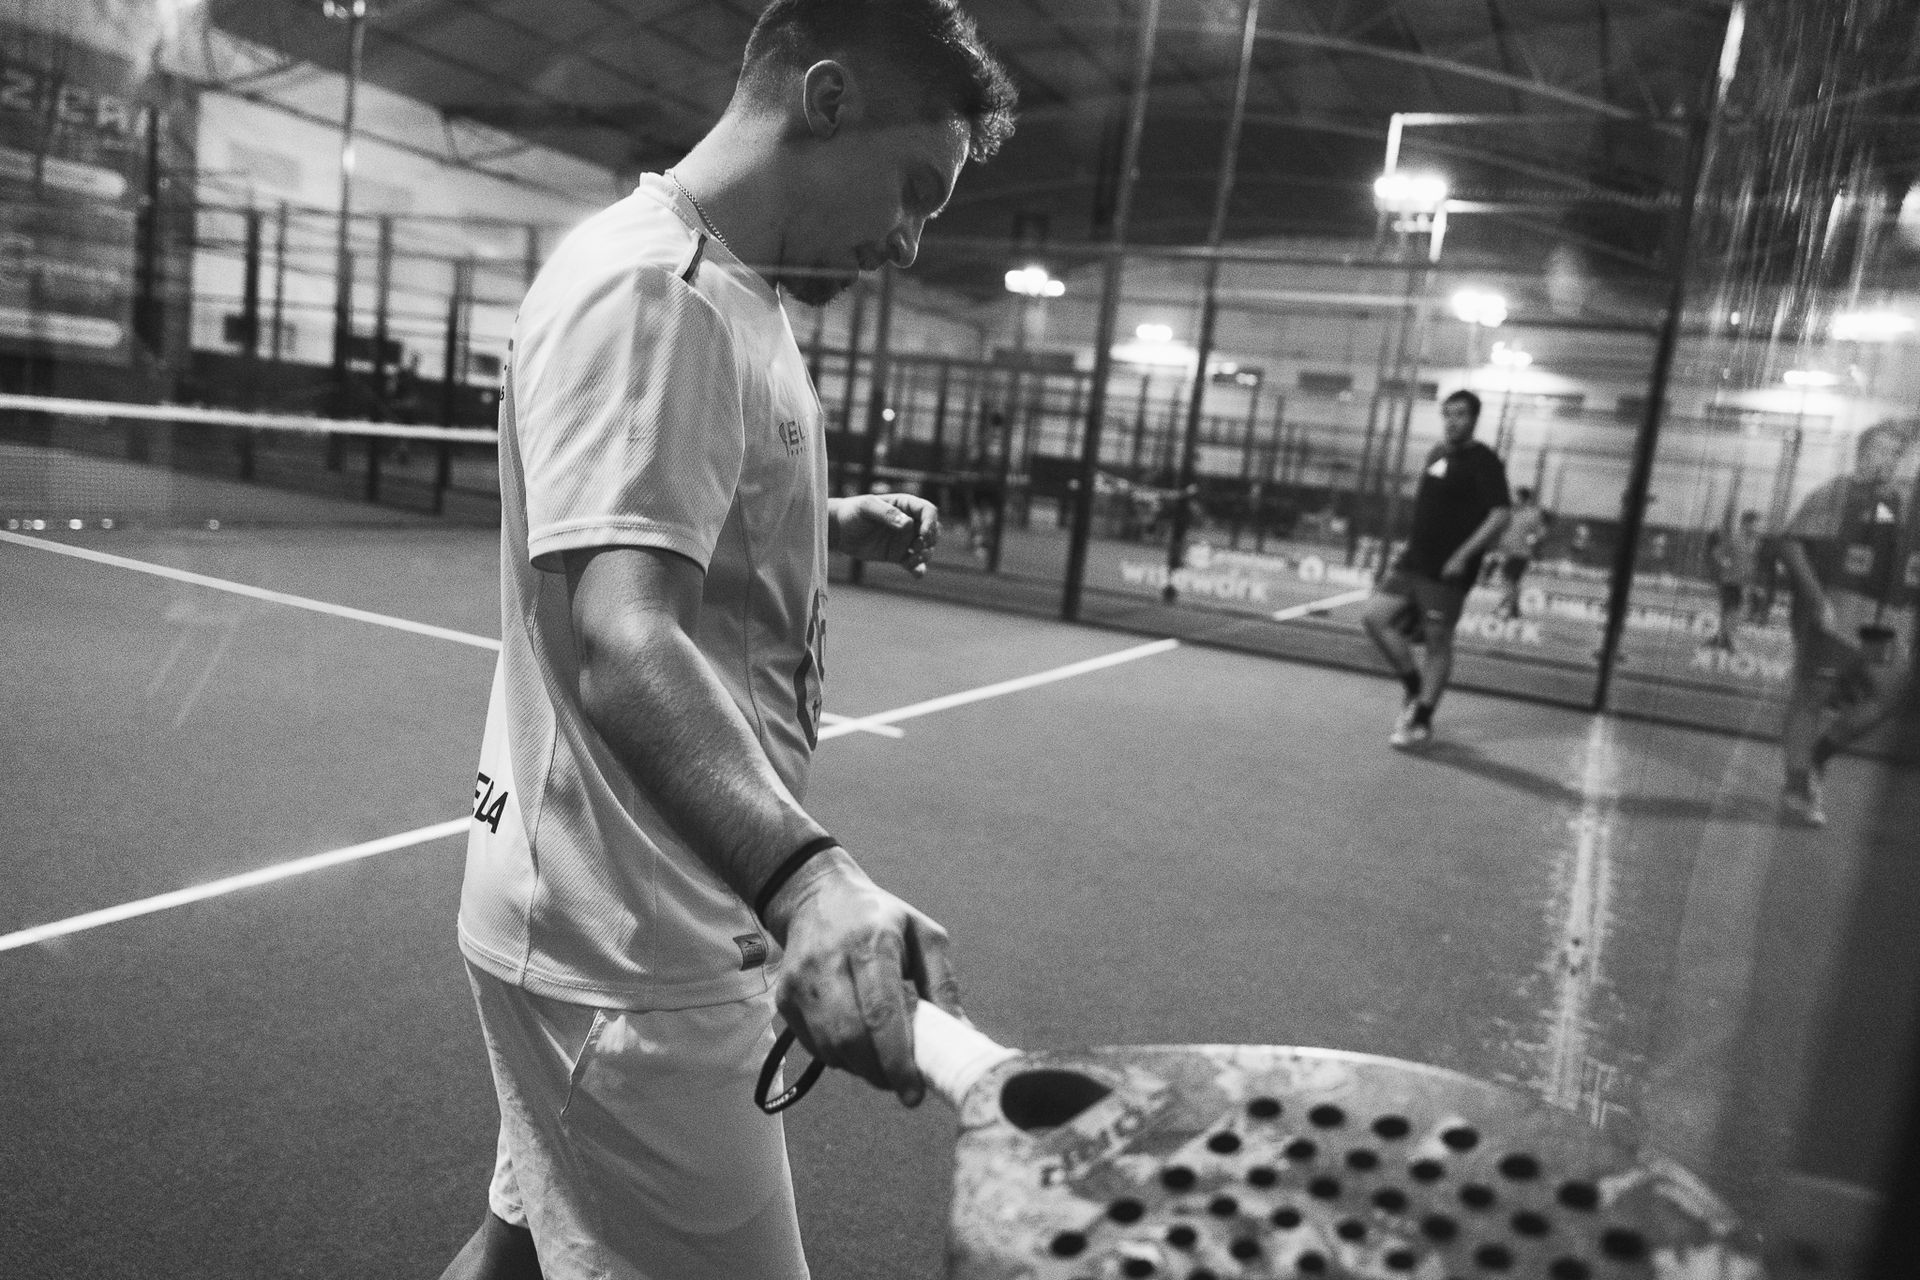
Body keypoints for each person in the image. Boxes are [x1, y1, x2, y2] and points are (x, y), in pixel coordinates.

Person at [441, 4, 1016, 1277]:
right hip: (636, 948)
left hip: (589, 906)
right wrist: (811, 880)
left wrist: (822, 515)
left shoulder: (722, 287)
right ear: (825, 98)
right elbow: (625, 633)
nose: (914, 239)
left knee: (516, 1255)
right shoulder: (665, 292)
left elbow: (678, 517)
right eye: (915, 187)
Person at [1776, 418, 1920, 827]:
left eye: (1897, 453)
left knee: (1888, 693)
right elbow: (1790, 543)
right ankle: (1797, 784)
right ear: (1864, 451)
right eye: (1884, 451)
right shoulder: (1836, 494)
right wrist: (1818, 601)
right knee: (1812, 696)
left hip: (1879, 623)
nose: (1891, 460)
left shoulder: (1896, 502)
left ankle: (1818, 756)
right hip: (1838, 613)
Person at [1361, 389, 1512, 748]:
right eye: (1447, 414)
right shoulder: (1436, 454)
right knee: (1375, 618)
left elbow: (1500, 515)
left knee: (1436, 642)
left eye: (1460, 414)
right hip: (1413, 561)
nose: (1452, 420)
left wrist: (1462, 556)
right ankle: (1415, 690)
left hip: (1447, 571)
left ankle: (1421, 720)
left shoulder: (1485, 461)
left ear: (1474, 419)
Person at [1708, 508, 1764, 651]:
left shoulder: (1756, 541)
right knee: (1731, 610)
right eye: (1756, 523)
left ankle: (1721, 638)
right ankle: (1725, 639)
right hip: (1731, 580)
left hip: (1746, 581)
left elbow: (1755, 561)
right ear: (1746, 523)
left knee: (1734, 610)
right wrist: (1725, 562)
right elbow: (1717, 553)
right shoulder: (1735, 538)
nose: (1758, 526)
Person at [1491, 484, 1550, 619]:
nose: (1513, 499)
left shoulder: (1532, 514)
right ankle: (1514, 611)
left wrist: (1533, 539)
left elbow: (1542, 532)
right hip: (1508, 552)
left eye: (1516, 496)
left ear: (1523, 499)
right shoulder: (1510, 512)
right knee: (1512, 583)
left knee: (1507, 580)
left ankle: (1508, 609)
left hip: (1520, 554)